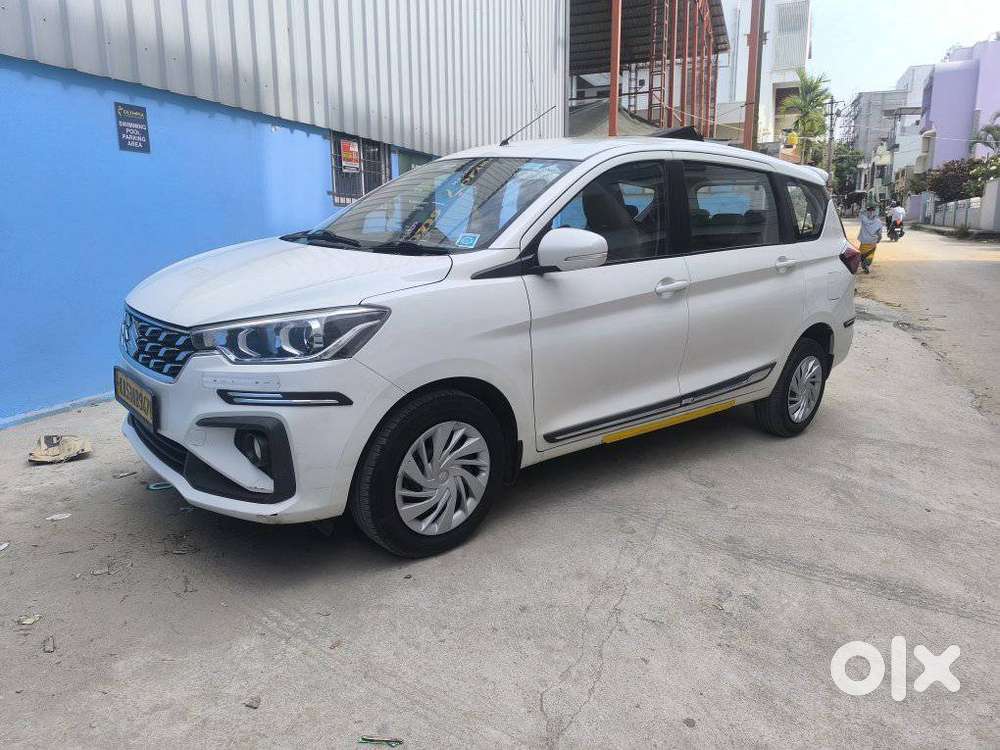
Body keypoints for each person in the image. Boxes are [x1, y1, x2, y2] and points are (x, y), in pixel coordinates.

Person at [858, 203, 883, 274]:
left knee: (862, 253)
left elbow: (860, 213)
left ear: (867, 212)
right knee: (870, 254)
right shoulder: (878, 221)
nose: (871, 212)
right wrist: (878, 240)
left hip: (864, 241)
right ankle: (867, 264)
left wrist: (864, 208)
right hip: (872, 241)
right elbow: (879, 233)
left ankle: (864, 263)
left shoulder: (864, 219)